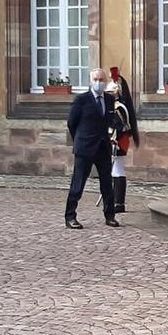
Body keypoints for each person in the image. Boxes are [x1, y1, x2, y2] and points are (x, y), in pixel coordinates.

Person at [64, 68, 120, 229]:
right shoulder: (82, 100)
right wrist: (80, 140)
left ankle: (110, 216)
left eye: (102, 80)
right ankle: (70, 216)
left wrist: (118, 130)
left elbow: (110, 120)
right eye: (96, 79)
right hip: (84, 148)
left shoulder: (109, 99)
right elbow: (71, 123)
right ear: (91, 81)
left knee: (107, 183)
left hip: (103, 147)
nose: (99, 83)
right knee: (78, 183)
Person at [107, 67, 139, 213]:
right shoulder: (115, 107)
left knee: (117, 169)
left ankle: (119, 202)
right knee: (115, 170)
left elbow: (118, 127)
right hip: (117, 140)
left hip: (118, 140)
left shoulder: (119, 108)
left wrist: (112, 138)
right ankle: (115, 201)